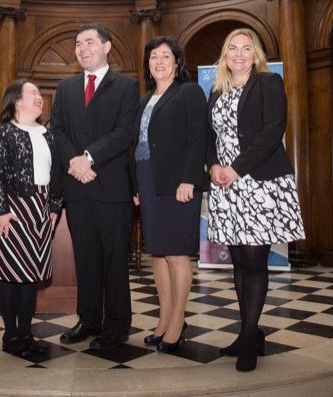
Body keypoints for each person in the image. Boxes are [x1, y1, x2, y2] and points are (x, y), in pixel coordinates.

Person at [206, 27, 305, 372]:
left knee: (254, 261)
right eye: (232, 48)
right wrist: (214, 166)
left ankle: (248, 339)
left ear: (256, 54)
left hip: (258, 184)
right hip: (226, 186)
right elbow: (209, 136)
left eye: (245, 48)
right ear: (224, 55)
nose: (238, 54)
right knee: (237, 262)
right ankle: (250, 330)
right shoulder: (217, 91)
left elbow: (271, 131)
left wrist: (236, 168)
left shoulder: (268, 83)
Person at [51, 23, 139, 351]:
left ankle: (116, 325)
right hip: (77, 188)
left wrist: (89, 158)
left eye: (89, 42)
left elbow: (124, 132)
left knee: (114, 261)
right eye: (77, 43)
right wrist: (75, 161)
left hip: (111, 188)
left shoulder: (126, 86)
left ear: (107, 46)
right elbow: (57, 129)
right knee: (85, 259)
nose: (82, 48)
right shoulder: (66, 86)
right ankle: (88, 319)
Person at [0, 79, 62, 361]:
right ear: (16, 101)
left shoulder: (48, 135)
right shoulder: (3, 133)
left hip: (40, 210)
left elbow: (56, 174)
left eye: (39, 94)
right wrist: (0, 210)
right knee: (11, 274)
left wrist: (55, 207)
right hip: (11, 209)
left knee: (30, 276)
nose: (39, 98)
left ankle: (25, 333)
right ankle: (11, 334)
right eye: (33, 93)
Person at [132, 36, 207, 353]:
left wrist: (189, 178)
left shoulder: (189, 92)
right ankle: (163, 321)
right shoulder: (143, 100)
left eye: (165, 56)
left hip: (178, 182)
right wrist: (135, 186)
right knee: (158, 255)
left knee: (176, 254)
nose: (158, 61)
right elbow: (135, 146)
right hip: (148, 179)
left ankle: (177, 325)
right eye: (153, 57)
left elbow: (198, 136)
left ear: (177, 62)